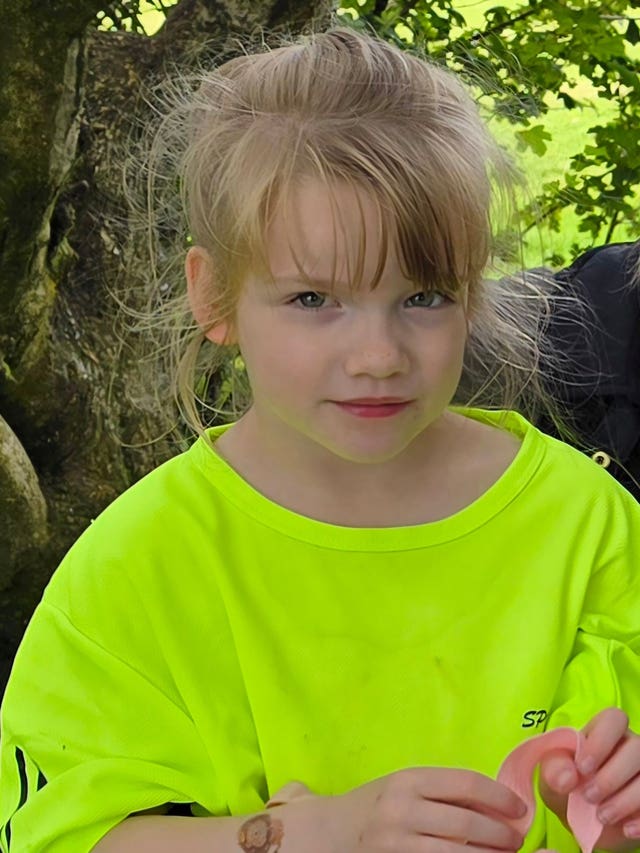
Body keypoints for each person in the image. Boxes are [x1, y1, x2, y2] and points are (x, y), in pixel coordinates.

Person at [1, 26, 640, 853]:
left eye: (423, 298)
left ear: (474, 290)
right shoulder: (141, 561)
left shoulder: (590, 528)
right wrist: (304, 834)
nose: (378, 357)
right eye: (313, 299)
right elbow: (63, 832)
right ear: (216, 295)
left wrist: (604, 812)